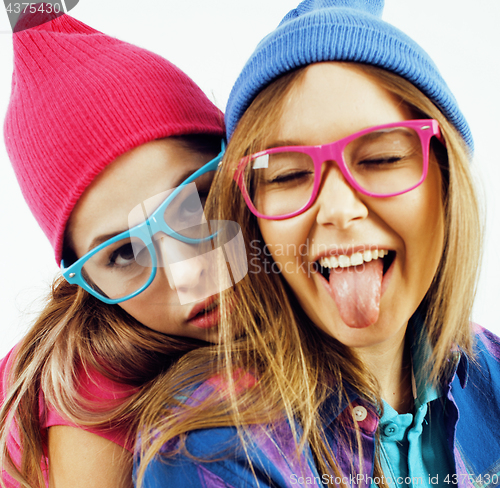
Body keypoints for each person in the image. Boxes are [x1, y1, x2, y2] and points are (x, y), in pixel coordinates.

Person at [134, 0, 500, 487]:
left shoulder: (490, 370)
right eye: (287, 174)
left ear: (447, 180)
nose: (337, 210)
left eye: (383, 159)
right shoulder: (210, 447)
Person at [0, 9, 230, 488]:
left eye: (196, 202)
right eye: (124, 254)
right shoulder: (93, 386)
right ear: (82, 280)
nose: (188, 274)